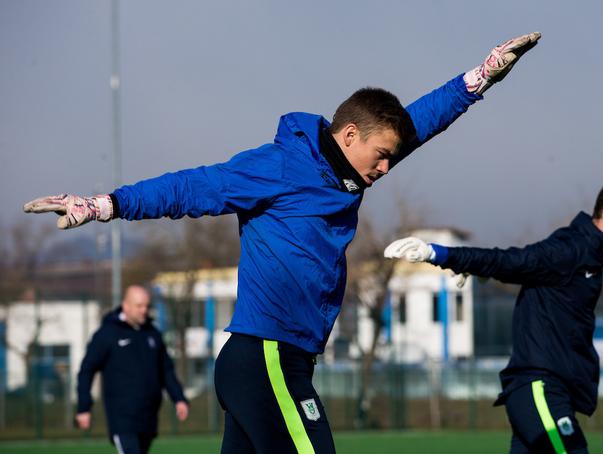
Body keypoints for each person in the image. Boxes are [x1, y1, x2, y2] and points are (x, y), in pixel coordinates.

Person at [25, 32, 540, 453]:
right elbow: (192, 187)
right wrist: (104, 205)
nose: (386, 169)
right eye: (380, 155)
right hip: (266, 356)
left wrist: (481, 78)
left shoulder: (351, 174)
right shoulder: (279, 167)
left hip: (279, 360)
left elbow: (420, 122)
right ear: (349, 135)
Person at [384, 181, 603, 454]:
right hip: (541, 388)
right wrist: (439, 254)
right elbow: (514, 261)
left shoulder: (590, 257)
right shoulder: (570, 250)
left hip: (545, 390)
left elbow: (525, 273)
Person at [75, 285, 189, 454]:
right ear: (126, 305)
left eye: (147, 306)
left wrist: (179, 398)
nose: (144, 310)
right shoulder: (107, 334)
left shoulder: (153, 334)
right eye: (139, 306)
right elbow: (87, 369)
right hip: (122, 418)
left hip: (149, 416)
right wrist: (84, 407)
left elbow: (166, 370)